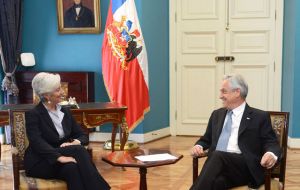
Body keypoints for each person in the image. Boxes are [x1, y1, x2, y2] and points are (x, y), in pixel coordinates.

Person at [190, 74, 281, 190]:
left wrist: (270, 154)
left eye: (224, 92)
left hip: (245, 168)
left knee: (217, 155)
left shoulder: (259, 116)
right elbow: (206, 139)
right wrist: (198, 146)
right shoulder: (216, 114)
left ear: (237, 92)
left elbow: (271, 143)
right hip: (218, 168)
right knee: (216, 183)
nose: (220, 96)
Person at [24, 72, 110, 190]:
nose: (63, 92)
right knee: (78, 151)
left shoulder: (65, 111)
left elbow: (82, 135)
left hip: (62, 158)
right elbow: (37, 143)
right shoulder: (33, 115)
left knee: (72, 168)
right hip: (40, 161)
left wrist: (75, 142)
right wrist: (59, 157)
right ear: (47, 95)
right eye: (58, 90)